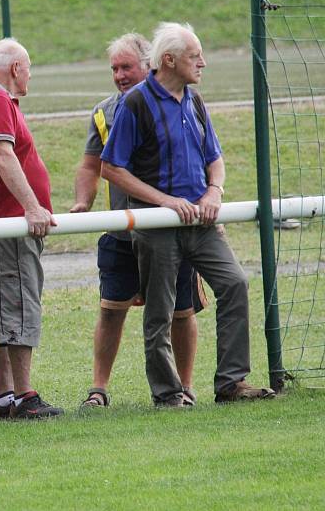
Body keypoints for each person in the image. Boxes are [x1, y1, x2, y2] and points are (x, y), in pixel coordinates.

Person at [100, 22, 276, 405]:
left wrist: (214, 191)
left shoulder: (194, 100)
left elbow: (215, 158)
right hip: (157, 226)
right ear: (169, 61)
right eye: (196, 57)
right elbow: (111, 168)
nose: (204, 63)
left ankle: (231, 383)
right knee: (160, 310)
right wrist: (164, 201)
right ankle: (167, 394)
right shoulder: (136, 103)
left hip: (203, 223)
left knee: (234, 283)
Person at [70, 33, 205, 408]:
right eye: (114, 68)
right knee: (111, 310)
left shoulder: (183, 103)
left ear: (151, 64)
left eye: (126, 66)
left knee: (181, 311)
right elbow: (90, 165)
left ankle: (185, 387)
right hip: (122, 231)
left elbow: (204, 159)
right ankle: (98, 389)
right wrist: (83, 202)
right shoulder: (104, 111)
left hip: (170, 230)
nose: (119, 75)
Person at [0, 38, 63, 419]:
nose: (31, 75)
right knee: (18, 302)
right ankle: (23, 394)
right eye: (29, 67)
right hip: (7, 225)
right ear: (17, 69)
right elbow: (3, 154)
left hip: (0, 224)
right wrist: (32, 206)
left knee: (6, 305)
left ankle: (5, 395)